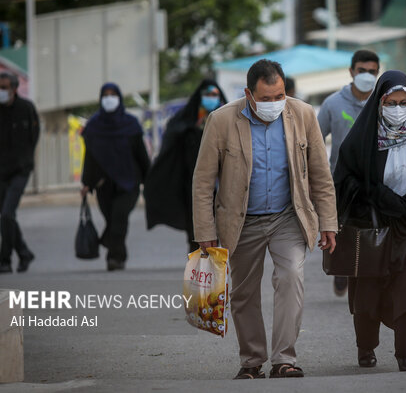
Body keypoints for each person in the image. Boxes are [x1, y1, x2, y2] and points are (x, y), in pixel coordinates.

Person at [192, 60, 338, 380]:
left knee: (290, 279)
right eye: (266, 98)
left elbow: (320, 175)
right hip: (241, 222)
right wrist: (205, 232)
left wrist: (328, 222)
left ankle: (284, 358)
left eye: (279, 96)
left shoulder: (303, 115)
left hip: (289, 216)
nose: (274, 104)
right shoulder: (221, 120)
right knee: (244, 292)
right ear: (248, 94)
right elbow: (203, 181)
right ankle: (252, 360)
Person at [333, 70, 406, 372]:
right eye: (391, 102)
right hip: (371, 225)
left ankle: (405, 353)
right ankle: (366, 348)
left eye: (403, 102)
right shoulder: (361, 141)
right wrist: (378, 196)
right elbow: (344, 181)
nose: (397, 109)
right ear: (379, 103)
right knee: (368, 293)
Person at [317, 49, 380, 297]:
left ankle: (368, 272)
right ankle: (342, 270)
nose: (366, 75)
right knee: (340, 228)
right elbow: (314, 139)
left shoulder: (384, 101)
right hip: (339, 181)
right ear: (351, 71)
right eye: (362, 71)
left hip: (375, 181)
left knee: (373, 227)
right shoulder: (333, 103)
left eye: (372, 72)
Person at [144, 79, 227, 251]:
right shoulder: (187, 119)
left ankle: (215, 256)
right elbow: (172, 138)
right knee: (196, 219)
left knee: (222, 221)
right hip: (193, 179)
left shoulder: (228, 117)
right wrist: (191, 129)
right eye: (207, 95)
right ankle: (197, 255)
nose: (210, 98)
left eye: (214, 95)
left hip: (224, 180)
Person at [80, 83, 150, 271]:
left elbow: (141, 154)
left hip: (129, 182)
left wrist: (149, 178)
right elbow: (90, 156)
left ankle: (114, 258)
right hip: (104, 184)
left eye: (113, 94)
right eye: (105, 94)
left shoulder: (131, 124)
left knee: (119, 217)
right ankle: (119, 252)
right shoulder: (94, 126)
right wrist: (87, 182)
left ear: (119, 98)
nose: (109, 98)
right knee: (112, 221)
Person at [0, 71, 40, 273]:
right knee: (7, 216)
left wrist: (25, 160)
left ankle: (4, 260)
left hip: (20, 170)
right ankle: (24, 253)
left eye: (4, 88)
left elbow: (34, 136)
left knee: (6, 215)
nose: (0, 91)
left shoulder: (26, 108)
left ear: (14, 89)